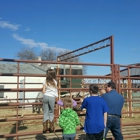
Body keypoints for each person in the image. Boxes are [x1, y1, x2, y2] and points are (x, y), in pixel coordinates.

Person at [42, 68, 58, 133]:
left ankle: (44, 128)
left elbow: (43, 90)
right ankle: (51, 127)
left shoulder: (45, 81)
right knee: (51, 112)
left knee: (46, 112)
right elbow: (55, 91)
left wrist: (46, 93)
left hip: (45, 96)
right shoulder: (55, 82)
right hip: (52, 97)